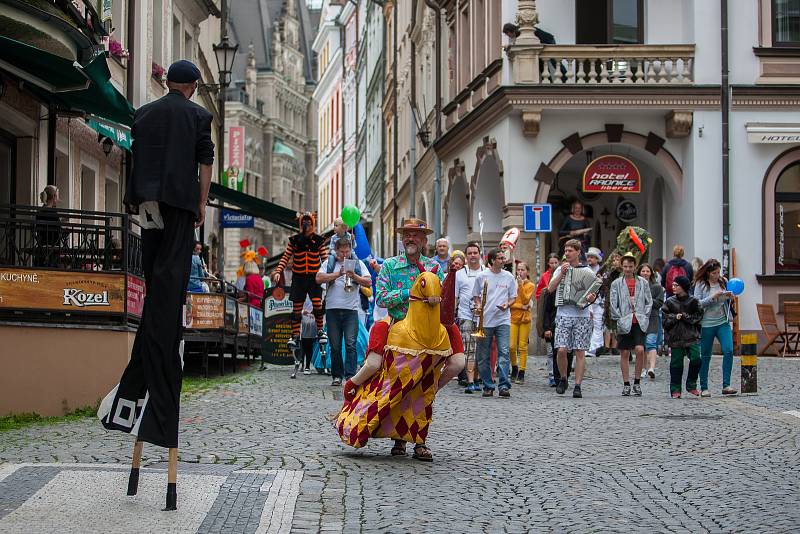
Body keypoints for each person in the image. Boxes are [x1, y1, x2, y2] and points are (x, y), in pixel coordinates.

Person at [101, 60, 214, 508]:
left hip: (147, 204)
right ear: (190, 87)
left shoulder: (144, 112)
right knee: (168, 288)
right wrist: (202, 203)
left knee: (153, 283)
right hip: (181, 205)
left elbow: (136, 156)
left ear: (168, 82)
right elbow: (204, 164)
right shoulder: (197, 115)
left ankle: (154, 338)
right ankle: (161, 340)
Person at [340, 218, 464, 461]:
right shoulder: (389, 266)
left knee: (458, 363)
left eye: (416, 235)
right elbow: (382, 299)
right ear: (402, 238)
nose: (411, 238)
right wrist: (411, 293)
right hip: (397, 324)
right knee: (375, 364)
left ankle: (431, 396)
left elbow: (443, 299)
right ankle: (354, 383)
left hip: (430, 328)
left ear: (424, 240)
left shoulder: (433, 268)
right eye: (407, 234)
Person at [315, 237, 371, 386]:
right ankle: (336, 376)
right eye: (342, 251)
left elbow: (369, 281)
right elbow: (318, 278)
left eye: (347, 251)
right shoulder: (329, 263)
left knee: (350, 344)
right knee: (335, 345)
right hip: (332, 310)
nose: (345, 254)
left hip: (351, 310)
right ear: (336, 251)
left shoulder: (357, 263)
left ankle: (350, 376)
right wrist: (338, 274)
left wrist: (354, 276)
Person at [547, 239, 597, 398]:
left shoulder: (588, 271)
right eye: (565, 250)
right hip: (563, 314)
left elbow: (593, 293)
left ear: (578, 253)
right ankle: (563, 377)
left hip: (582, 315)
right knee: (561, 350)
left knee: (580, 351)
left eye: (570, 251)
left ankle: (578, 385)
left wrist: (591, 298)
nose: (567, 253)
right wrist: (561, 273)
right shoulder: (560, 269)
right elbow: (550, 288)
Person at [272, 212, 328, 350]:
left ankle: (320, 330)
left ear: (313, 224)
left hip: (314, 278)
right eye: (305, 223)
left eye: (309, 223)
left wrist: (330, 275)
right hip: (298, 277)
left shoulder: (319, 241)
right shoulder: (295, 241)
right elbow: (285, 257)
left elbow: (326, 260)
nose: (307, 226)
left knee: (317, 304)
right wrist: (278, 271)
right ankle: (296, 335)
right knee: (297, 308)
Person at [473, 248, 517, 397]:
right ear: (492, 260)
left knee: (504, 352)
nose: (503, 260)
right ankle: (488, 385)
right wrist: (479, 305)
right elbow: (476, 296)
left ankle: (504, 385)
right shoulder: (481, 276)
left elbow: (513, 297)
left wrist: (507, 304)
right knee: (483, 355)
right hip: (485, 320)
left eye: (503, 258)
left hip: (502, 319)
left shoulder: (509, 277)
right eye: (499, 258)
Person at [609, 254, 652, 397]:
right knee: (625, 352)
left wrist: (644, 315)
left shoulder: (643, 283)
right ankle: (626, 383)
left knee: (640, 349)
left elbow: (649, 301)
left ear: (635, 267)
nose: (628, 269)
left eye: (630, 266)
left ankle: (637, 382)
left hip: (639, 321)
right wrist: (619, 317)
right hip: (624, 320)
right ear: (622, 267)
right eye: (625, 266)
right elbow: (613, 303)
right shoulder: (616, 283)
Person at [694, 259, 738, 397]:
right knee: (705, 355)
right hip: (706, 324)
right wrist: (713, 297)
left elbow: (728, 298)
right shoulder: (701, 285)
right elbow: (697, 304)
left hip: (722, 322)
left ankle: (726, 385)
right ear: (708, 273)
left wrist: (730, 297)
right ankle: (704, 387)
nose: (717, 275)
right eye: (714, 273)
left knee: (729, 350)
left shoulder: (723, 281)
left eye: (718, 272)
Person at [662, 276, 703, 398]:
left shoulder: (694, 301)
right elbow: (664, 319)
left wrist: (685, 316)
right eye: (673, 285)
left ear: (683, 287)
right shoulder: (669, 301)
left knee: (696, 359)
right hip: (676, 337)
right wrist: (675, 317)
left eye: (676, 285)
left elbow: (698, 317)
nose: (673, 287)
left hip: (691, 336)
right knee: (676, 363)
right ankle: (675, 389)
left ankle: (691, 384)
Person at [456, 242, 486, 393]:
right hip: (465, 315)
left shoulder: (486, 272)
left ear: (479, 254)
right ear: (466, 256)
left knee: (481, 349)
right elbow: (456, 297)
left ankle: (478, 377)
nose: (473, 255)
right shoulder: (459, 274)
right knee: (468, 348)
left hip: (483, 316)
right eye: (470, 253)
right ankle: (470, 380)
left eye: (475, 253)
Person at [637, 263, 664, 380]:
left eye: (647, 271)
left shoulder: (657, 287)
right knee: (641, 345)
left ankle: (651, 368)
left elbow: (659, 303)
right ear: (639, 273)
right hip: (639, 318)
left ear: (651, 273)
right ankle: (643, 368)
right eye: (643, 271)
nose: (645, 273)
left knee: (651, 343)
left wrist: (647, 300)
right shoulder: (636, 285)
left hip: (653, 318)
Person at [510, 261, 535, 385]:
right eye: (518, 270)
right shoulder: (511, 283)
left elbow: (526, 300)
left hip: (525, 319)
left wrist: (520, 285)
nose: (520, 272)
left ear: (527, 271)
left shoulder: (530, 285)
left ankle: (522, 371)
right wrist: (520, 306)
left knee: (522, 346)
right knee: (511, 346)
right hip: (513, 318)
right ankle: (514, 366)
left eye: (522, 270)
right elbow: (510, 303)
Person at [585, 247, 605, 358]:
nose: (590, 259)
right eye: (589, 257)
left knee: (598, 325)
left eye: (592, 257)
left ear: (597, 259)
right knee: (587, 325)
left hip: (599, 302)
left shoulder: (602, 271)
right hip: (587, 301)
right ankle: (587, 348)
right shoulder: (585, 270)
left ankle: (593, 349)